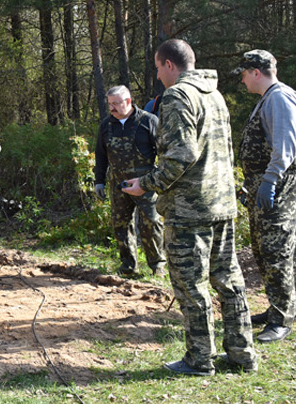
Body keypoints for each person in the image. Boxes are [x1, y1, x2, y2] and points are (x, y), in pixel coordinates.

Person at [122, 39, 257, 376]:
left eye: (157, 67)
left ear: (170, 65)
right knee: (229, 280)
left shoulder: (178, 95)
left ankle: (199, 359)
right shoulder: (215, 94)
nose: (157, 75)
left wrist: (147, 184)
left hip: (190, 209)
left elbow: (181, 154)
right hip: (222, 204)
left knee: (190, 284)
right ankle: (242, 355)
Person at [231, 49, 296, 344]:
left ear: (256, 72)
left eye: (245, 74)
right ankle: (275, 310)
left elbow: (284, 147)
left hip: (280, 187)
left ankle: (283, 319)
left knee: (277, 251)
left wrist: (269, 182)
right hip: (264, 184)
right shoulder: (267, 99)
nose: (243, 81)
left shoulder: (280, 98)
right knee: (263, 250)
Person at [94, 85, 165, 277]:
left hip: (145, 184)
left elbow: (164, 154)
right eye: (110, 104)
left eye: (116, 103)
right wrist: (98, 181)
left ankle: (157, 266)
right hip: (119, 184)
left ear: (128, 101)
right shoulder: (106, 126)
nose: (112, 108)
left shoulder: (148, 121)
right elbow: (100, 156)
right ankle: (128, 267)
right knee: (121, 225)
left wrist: (160, 180)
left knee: (151, 223)